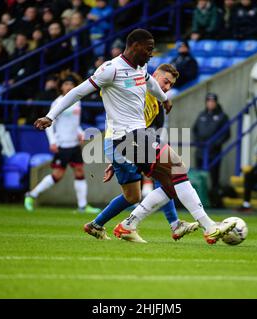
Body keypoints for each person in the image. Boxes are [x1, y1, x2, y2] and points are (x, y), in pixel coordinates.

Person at [34, 29, 236, 245]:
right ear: (135, 46)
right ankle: (208, 227)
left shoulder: (141, 66)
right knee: (176, 166)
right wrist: (50, 116)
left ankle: (128, 224)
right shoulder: (110, 70)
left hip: (134, 137)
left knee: (157, 188)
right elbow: (77, 92)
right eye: (149, 49)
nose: (151, 54)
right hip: (125, 137)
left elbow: (149, 81)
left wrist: (163, 98)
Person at [94, 64, 200, 241]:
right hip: (120, 144)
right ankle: (174, 225)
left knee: (133, 195)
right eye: (165, 81)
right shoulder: (137, 91)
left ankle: (95, 225)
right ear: (154, 75)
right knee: (163, 176)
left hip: (130, 145)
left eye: (170, 85)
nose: (166, 87)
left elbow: (152, 132)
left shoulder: (157, 104)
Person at [25, 76, 101, 214]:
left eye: (71, 84)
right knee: (57, 175)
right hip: (62, 144)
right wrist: (53, 142)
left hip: (74, 144)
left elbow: (75, 123)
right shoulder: (57, 102)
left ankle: (82, 206)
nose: (69, 86)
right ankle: (31, 195)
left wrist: (80, 133)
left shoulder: (77, 102)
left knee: (79, 172)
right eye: (66, 84)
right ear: (61, 87)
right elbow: (49, 123)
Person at [193, 93, 230, 206]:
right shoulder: (202, 115)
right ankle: (198, 201)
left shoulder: (222, 116)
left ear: (216, 102)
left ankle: (214, 202)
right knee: (199, 176)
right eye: (208, 101)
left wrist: (215, 144)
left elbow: (226, 134)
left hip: (214, 152)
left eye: (213, 101)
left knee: (214, 177)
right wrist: (198, 142)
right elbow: (194, 129)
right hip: (201, 151)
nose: (210, 103)